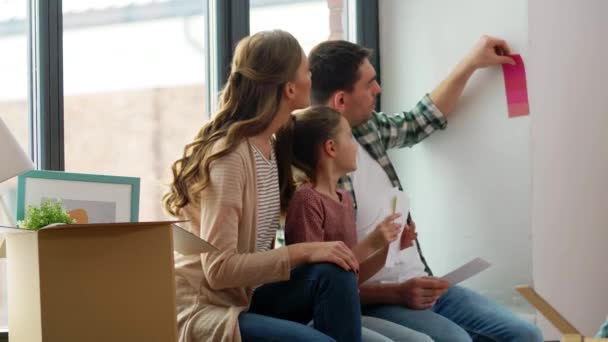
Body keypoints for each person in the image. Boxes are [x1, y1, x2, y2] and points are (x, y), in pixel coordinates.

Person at [307, 36, 544, 341]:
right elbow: (330, 286)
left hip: (424, 283)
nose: (378, 90)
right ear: (341, 101)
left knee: (526, 335)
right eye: (369, 84)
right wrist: (398, 293)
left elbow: (420, 121)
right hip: (380, 301)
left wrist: (472, 62)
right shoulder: (314, 176)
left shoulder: (368, 130)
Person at [163, 30, 362, 342]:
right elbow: (219, 270)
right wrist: (306, 251)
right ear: (289, 88)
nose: (311, 78)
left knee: (336, 273)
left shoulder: (272, 145)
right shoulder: (229, 158)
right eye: (305, 70)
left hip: (245, 297)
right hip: (206, 309)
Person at [275, 105, 431, 342]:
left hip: (346, 309)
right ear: (331, 147)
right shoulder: (307, 200)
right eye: (349, 137)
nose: (356, 145)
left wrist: (390, 246)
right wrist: (371, 243)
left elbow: (352, 277)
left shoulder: (344, 199)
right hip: (319, 316)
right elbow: (319, 280)